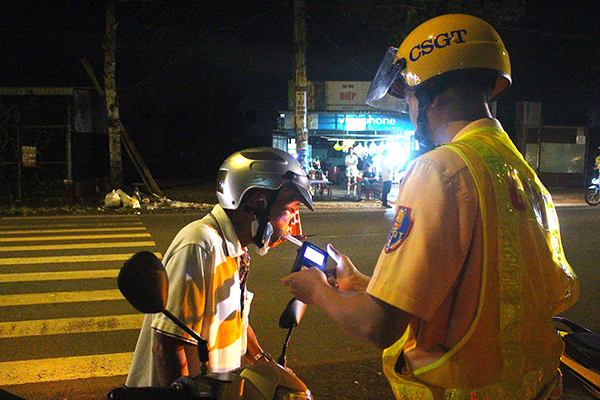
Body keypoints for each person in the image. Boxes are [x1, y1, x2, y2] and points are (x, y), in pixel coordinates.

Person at [282, 14, 579, 400]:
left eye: (406, 96)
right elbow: (474, 301)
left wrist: (317, 291)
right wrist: (358, 283)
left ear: (429, 95)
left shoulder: (441, 169)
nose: (407, 109)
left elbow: (378, 326)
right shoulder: (521, 173)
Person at [126, 147, 313, 387]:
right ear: (258, 203)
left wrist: (264, 363)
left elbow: (237, 323)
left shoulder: (235, 248)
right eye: (290, 210)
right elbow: (167, 346)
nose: (294, 226)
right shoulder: (200, 245)